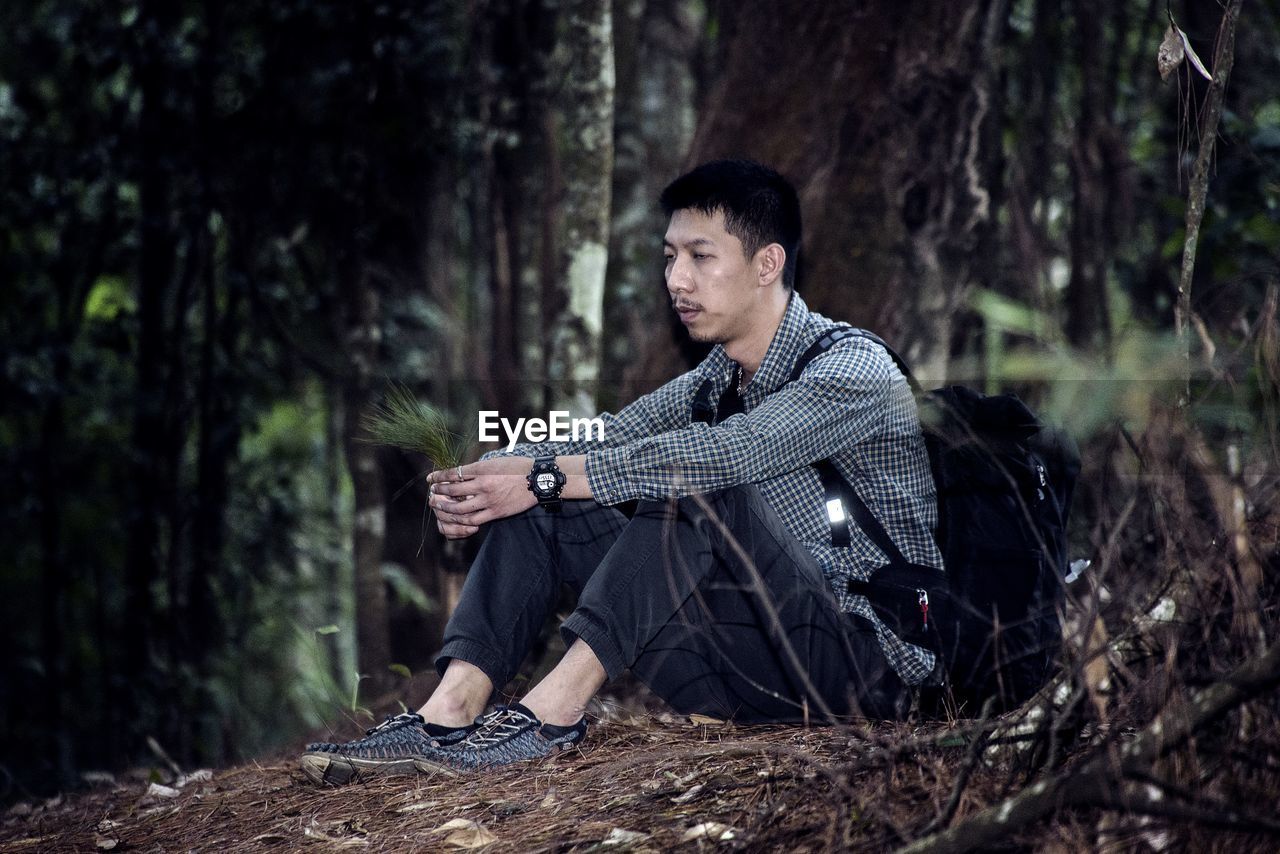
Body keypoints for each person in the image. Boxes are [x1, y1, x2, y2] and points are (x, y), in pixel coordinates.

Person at [300, 159, 943, 785]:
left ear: (767, 263)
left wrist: (542, 476)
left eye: (700, 256)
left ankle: (550, 717)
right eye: (669, 257)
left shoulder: (855, 372)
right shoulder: (713, 381)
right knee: (548, 499)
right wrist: (496, 474)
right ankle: (449, 712)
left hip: (865, 674)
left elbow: (728, 454)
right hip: (748, 677)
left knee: (688, 477)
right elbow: (603, 437)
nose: (677, 280)